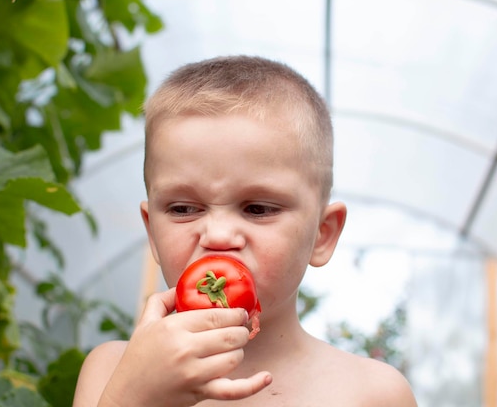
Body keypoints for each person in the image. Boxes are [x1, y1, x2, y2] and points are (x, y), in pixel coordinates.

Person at [73, 55, 418, 406]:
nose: (218, 236)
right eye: (183, 209)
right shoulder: (112, 371)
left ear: (322, 235)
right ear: (153, 235)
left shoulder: (372, 393)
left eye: (258, 209)